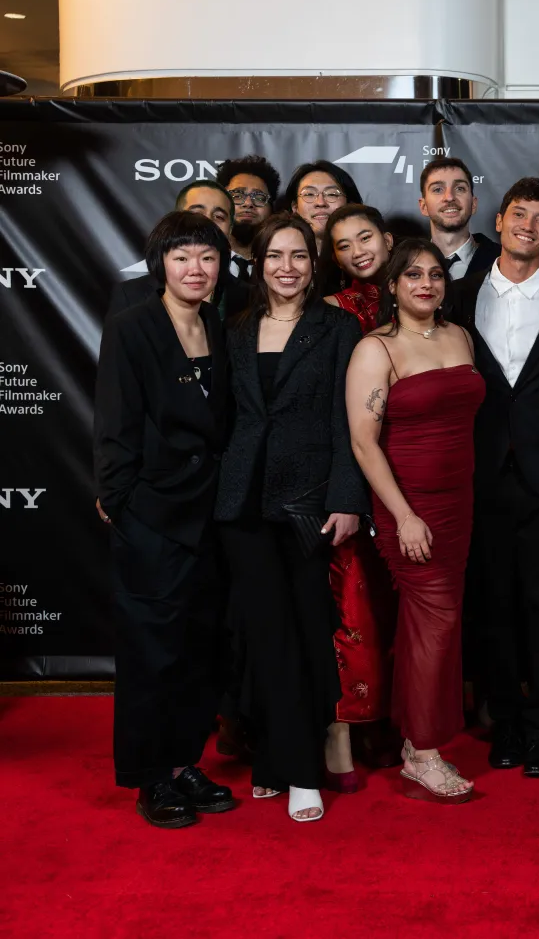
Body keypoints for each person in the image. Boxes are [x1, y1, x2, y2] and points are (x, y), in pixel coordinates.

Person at [214, 212, 365, 823]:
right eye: (275, 255)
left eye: (298, 255)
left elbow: (346, 419)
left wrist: (347, 497)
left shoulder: (338, 327)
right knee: (264, 637)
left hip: (309, 501)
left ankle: (304, 769)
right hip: (243, 503)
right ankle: (276, 759)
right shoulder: (236, 327)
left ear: (314, 262)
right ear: (257, 264)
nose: (286, 266)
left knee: (306, 635)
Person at [94, 210, 236, 829]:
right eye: (182, 257)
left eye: (206, 257)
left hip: (211, 515)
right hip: (153, 517)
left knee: (197, 650)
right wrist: (122, 500)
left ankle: (183, 763)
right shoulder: (132, 327)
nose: (196, 269)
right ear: (161, 265)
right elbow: (115, 424)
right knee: (152, 654)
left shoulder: (218, 324)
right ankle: (151, 776)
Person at [452, 178, 539, 777]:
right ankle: (504, 723)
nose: (528, 226)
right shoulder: (456, 296)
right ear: (499, 220)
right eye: (519, 214)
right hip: (479, 476)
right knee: (493, 606)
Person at [345, 239, 485, 802]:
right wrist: (403, 515)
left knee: (435, 624)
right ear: (393, 287)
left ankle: (416, 739)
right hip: (410, 505)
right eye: (412, 276)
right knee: (436, 620)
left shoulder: (459, 337)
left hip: (460, 502)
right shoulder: (376, 349)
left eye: (434, 274)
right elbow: (363, 441)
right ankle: (422, 754)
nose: (425, 283)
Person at [321, 204, 403, 774]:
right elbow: (334, 416)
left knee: (413, 607)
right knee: (358, 608)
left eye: (365, 238)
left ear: (388, 238)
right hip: (360, 468)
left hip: (421, 468)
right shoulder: (331, 313)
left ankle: (406, 724)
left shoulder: (423, 290)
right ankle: (353, 725)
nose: (358, 251)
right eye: (344, 245)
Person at [109, 183, 250, 319]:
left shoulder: (250, 296)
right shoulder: (130, 294)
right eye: (196, 214)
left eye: (219, 216)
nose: (206, 222)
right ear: (176, 219)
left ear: (230, 228)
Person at [420, 156, 501, 284]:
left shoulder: (502, 261)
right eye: (438, 189)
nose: (449, 197)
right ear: (423, 206)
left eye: (459, 188)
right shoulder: (405, 264)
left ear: (473, 204)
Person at [218, 155, 282, 280]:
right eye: (237, 195)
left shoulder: (284, 268)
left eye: (259, 197)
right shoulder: (203, 264)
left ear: (271, 208)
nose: (248, 203)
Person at [285, 160, 363, 245]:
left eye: (332, 194)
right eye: (309, 194)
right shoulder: (282, 256)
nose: (320, 203)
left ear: (350, 204)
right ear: (295, 207)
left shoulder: (363, 255)